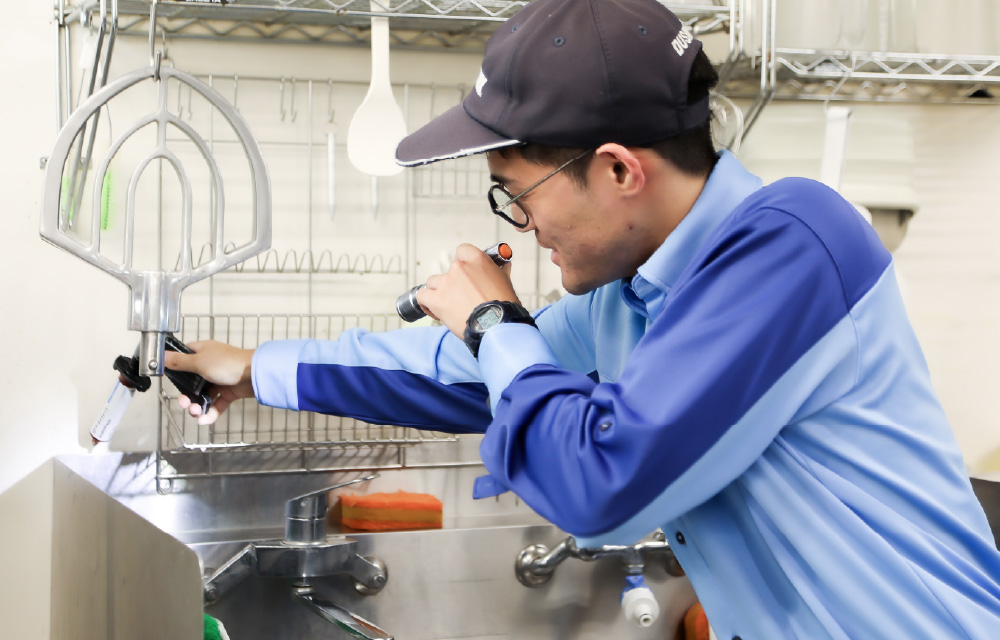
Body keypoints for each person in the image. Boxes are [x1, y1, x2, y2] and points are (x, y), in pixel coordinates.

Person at [165, 0, 1000, 636]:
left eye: (518, 194)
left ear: (617, 170)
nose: (520, 226)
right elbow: (461, 374)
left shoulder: (791, 246)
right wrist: (252, 368)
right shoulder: (625, 297)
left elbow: (603, 484)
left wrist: (498, 326)